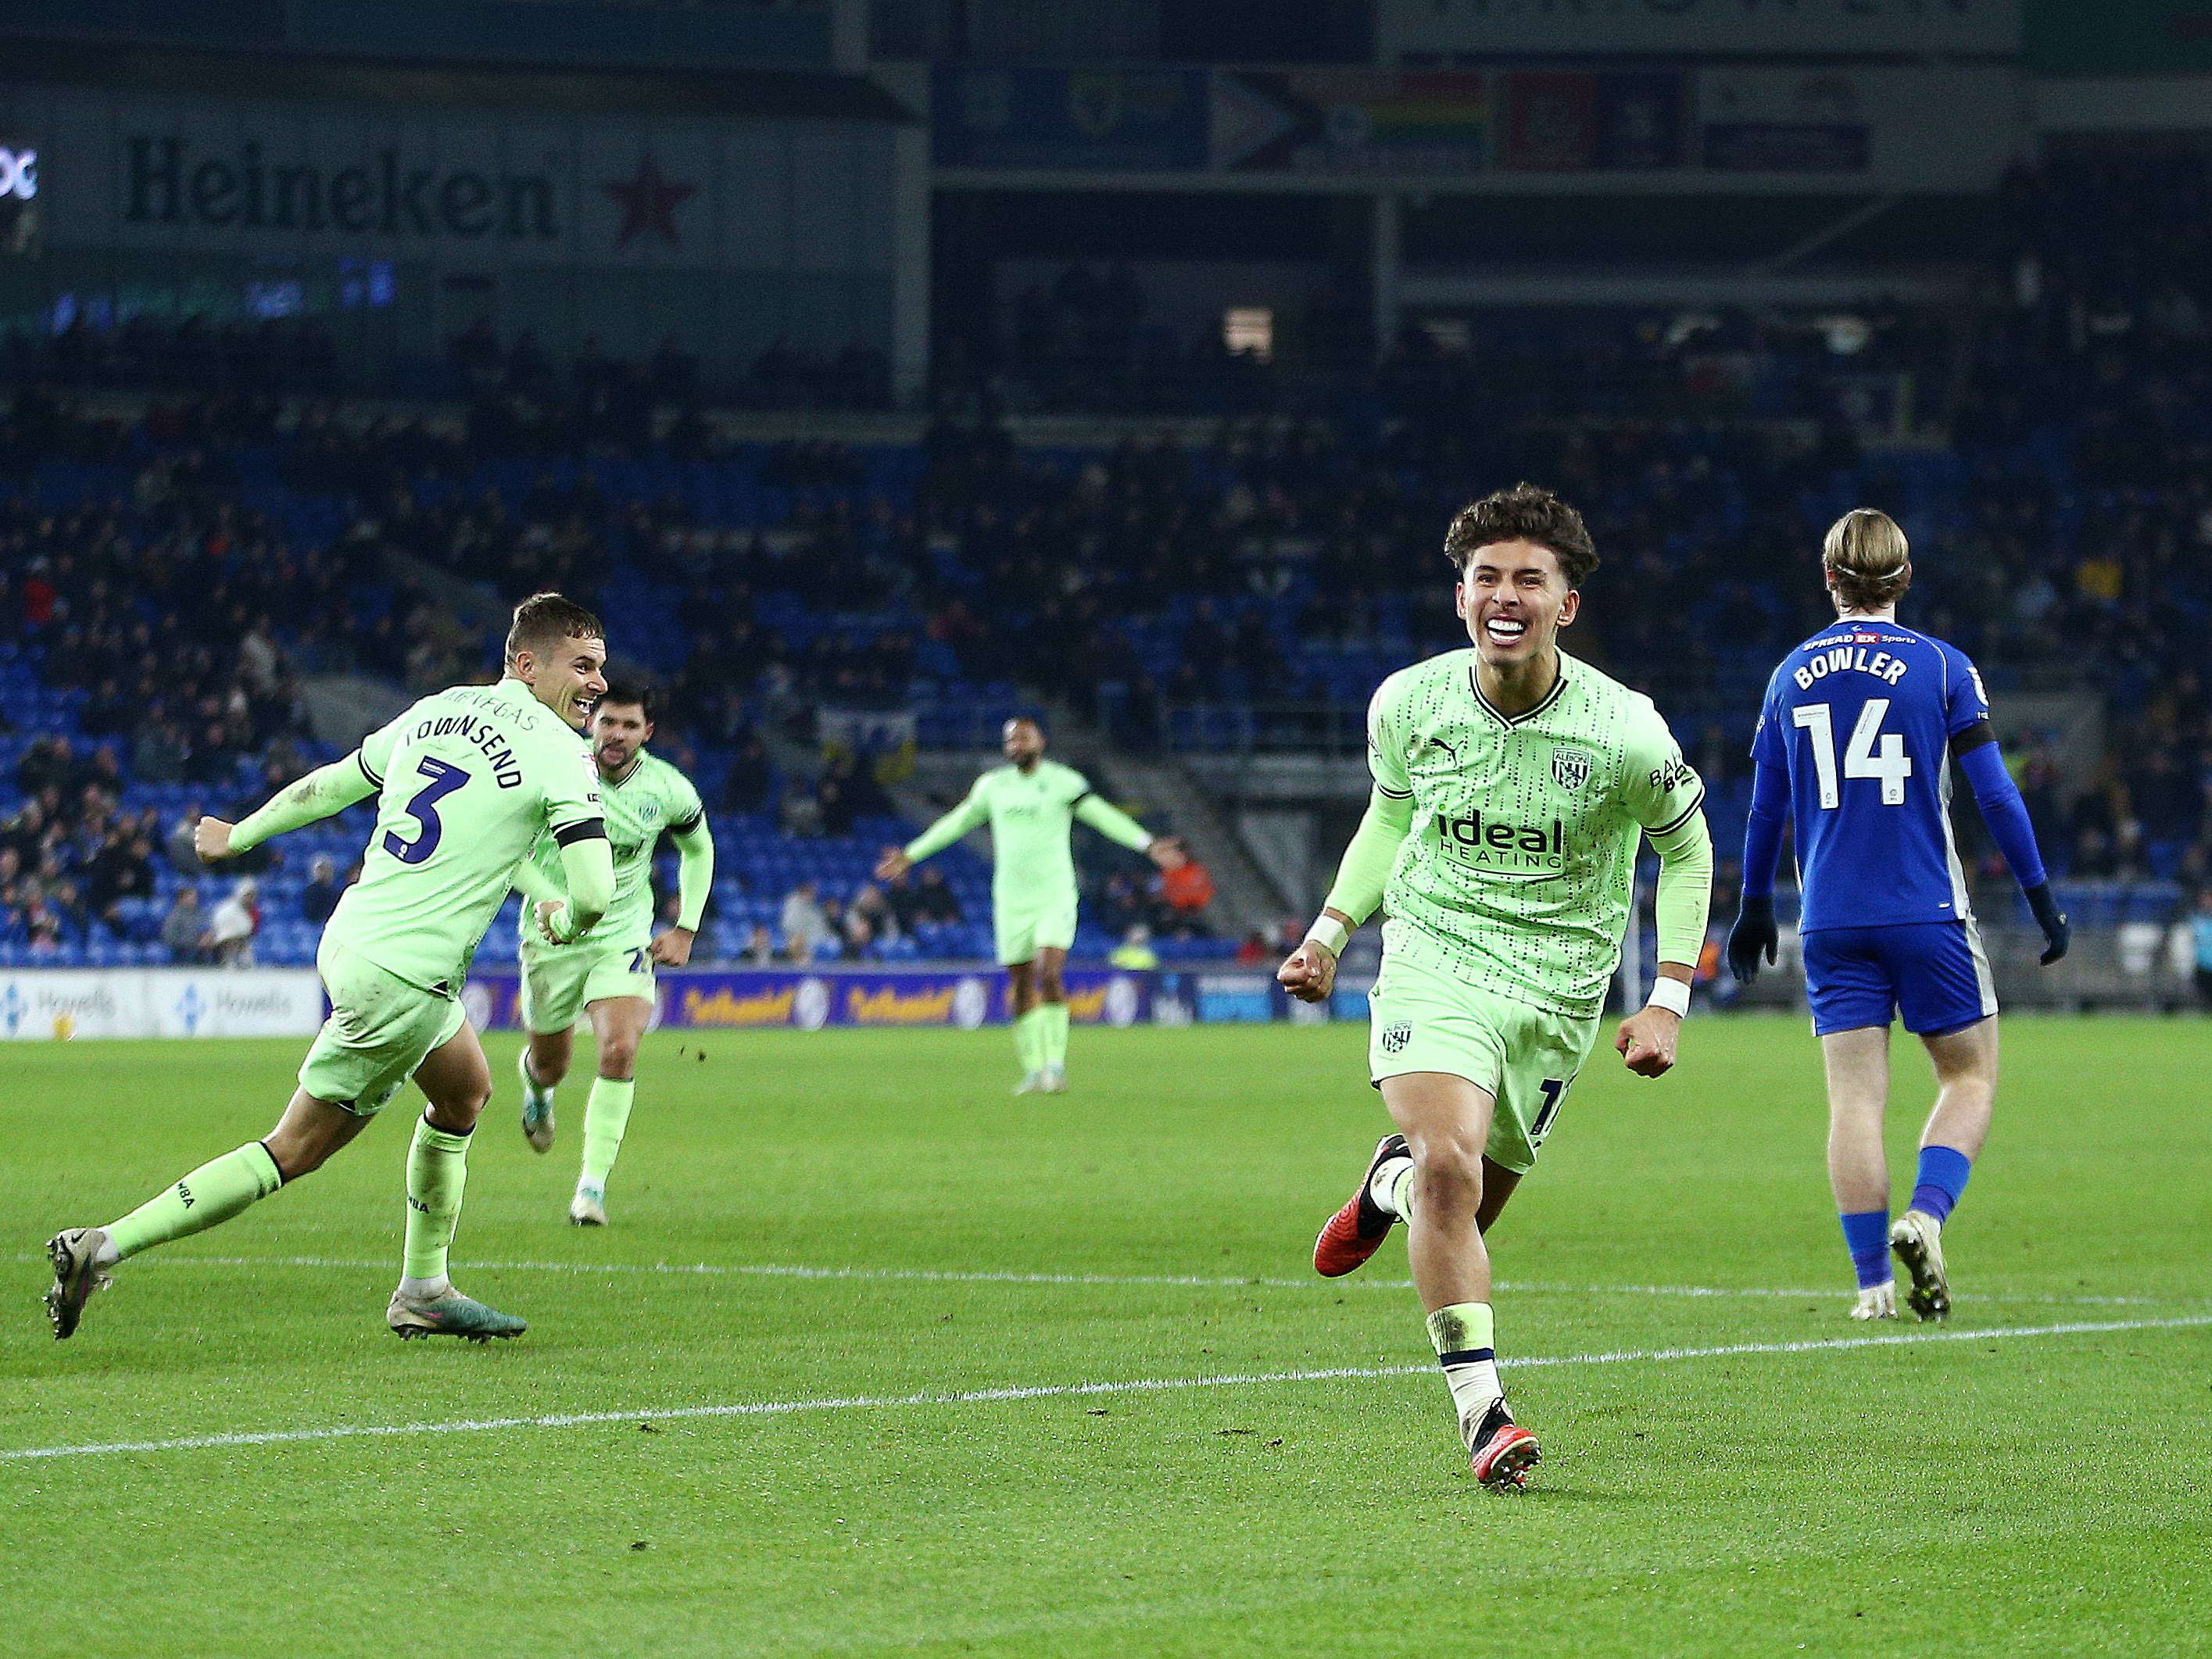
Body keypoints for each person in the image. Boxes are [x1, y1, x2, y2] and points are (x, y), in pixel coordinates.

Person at [1278, 483, 1713, 1489]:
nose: (1503, 594)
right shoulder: (1410, 702)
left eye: (1529, 577)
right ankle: (1485, 1414)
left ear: (1567, 603)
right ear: (1461, 595)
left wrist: (1667, 995)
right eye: (1486, 577)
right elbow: (1388, 819)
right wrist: (1330, 933)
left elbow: (1685, 850)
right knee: (1448, 1163)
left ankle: (1387, 1181)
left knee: (1462, 1201)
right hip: (1434, 952)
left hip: (1560, 986)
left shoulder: (1626, 731)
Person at [44, 593, 614, 1343]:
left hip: (353, 939)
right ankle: (102, 1244)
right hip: (404, 978)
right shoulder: (559, 748)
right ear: (525, 663)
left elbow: (336, 783)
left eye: (602, 667)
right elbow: (596, 894)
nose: (599, 683)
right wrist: (568, 918)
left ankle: (425, 1288)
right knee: (296, 1148)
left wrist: (241, 833)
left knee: (465, 1091)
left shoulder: (436, 710)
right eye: (582, 665)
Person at [1727, 509, 2067, 1324]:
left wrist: (1753, 905)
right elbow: (1994, 793)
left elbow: (1764, 809)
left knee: (1853, 1101)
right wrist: (2039, 895)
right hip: (1925, 910)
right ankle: (1925, 1213)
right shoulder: (1942, 666)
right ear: (1904, 578)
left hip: (1831, 919)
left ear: (1828, 577)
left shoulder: (1787, 674)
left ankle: (1870, 1283)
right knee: (1968, 1072)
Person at [876, 717, 1183, 1094]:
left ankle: (1056, 1064)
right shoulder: (993, 787)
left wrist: (1147, 844)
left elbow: (1103, 816)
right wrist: (910, 855)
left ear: (1041, 741)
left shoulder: (1064, 783)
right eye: (1009, 740)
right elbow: (955, 824)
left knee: (1049, 971)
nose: (1016, 744)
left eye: (1023, 737)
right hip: (1011, 900)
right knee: (1021, 981)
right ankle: (1034, 1069)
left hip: (1054, 895)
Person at [514, 681, 712, 1226]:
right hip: (551, 936)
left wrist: (686, 927)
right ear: (590, 723)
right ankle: (537, 1089)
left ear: (647, 732)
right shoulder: (554, 773)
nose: (616, 734)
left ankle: (591, 1188)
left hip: (622, 936)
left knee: (620, 1049)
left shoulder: (667, 788)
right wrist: (547, 895)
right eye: (608, 722)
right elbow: (510, 851)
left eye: (629, 725)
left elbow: (699, 847)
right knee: (552, 1063)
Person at [207, 878, 259, 967]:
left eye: (252, 896)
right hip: (225, 945)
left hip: (243, 945)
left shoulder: (254, 913)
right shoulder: (227, 911)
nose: (250, 899)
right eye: (247, 896)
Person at [160, 886, 208, 964]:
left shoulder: (201, 914)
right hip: (183, 951)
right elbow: (170, 938)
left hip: (202, 949)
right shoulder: (174, 917)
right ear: (181, 899)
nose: (194, 900)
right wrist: (195, 943)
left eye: (195, 897)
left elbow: (207, 929)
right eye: (191, 897)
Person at [301, 856, 342, 922]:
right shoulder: (310, 891)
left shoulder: (335, 892)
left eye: (327, 870)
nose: (325, 873)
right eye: (322, 870)